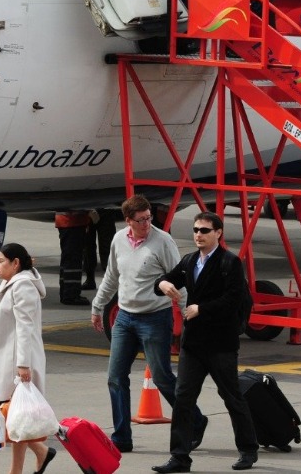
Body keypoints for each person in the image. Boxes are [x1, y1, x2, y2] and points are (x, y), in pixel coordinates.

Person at [90, 195, 201, 453]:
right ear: (128, 221)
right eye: (141, 220)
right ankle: (122, 437)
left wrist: (187, 315)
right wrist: (97, 306)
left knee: (162, 378)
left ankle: (196, 420)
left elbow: (179, 280)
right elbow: (111, 277)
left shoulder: (162, 241)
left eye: (149, 218)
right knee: (115, 378)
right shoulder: (119, 240)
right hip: (125, 318)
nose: (147, 224)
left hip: (154, 317)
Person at [152, 211, 258, 473]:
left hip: (220, 343)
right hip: (193, 345)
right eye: (196, 230)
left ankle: (248, 449)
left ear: (218, 234)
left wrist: (201, 308)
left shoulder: (229, 263)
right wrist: (163, 284)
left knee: (232, 397)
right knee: (183, 398)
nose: (198, 234)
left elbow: (233, 299)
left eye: (205, 230)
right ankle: (179, 457)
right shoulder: (189, 261)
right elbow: (166, 279)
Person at [0, 243, 55, 474]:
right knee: (15, 417)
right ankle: (40, 453)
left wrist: (23, 365)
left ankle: (19, 468)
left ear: (15, 263)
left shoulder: (22, 285)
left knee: (15, 416)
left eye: (1, 261)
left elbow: (25, 327)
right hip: (9, 358)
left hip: (17, 360)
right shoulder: (11, 282)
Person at [55, 211, 92, 306]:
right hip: (72, 221)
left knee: (68, 258)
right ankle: (70, 295)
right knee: (73, 259)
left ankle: (67, 292)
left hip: (68, 221)